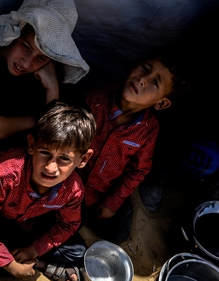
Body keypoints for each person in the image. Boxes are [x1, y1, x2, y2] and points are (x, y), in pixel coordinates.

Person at [0, 102, 94, 281]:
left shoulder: (73, 189)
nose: (50, 167)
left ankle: (27, 259)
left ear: (83, 159)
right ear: (32, 145)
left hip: (28, 226)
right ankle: (39, 265)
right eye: (45, 153)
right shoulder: (5, 173)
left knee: (78, 251)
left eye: (64, 158)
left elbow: (68, 225)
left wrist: (34, 249)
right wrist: (10, 264)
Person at [0, 0, 89, 174]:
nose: (27, 62)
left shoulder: (44, 72)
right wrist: (38, 119)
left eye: (41, 58)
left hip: (7, 133)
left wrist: (53, 89)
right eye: (25, 46)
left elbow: (50, 133)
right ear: (13, 34)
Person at [78, 54, 188, 243]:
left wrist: (111, 203)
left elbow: (138, 171)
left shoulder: (148, 130)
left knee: (119, 233)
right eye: (145, 69)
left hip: (105, 191)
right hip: (74, 185)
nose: (142, 80)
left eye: (155, 82)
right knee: (70, 223)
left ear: (161, 103)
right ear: (133, 66)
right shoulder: (93, 100)